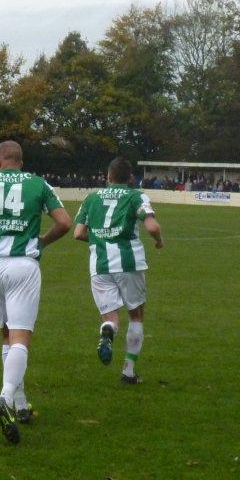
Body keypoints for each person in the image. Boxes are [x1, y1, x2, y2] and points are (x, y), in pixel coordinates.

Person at [0, 140, 72, 444]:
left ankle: (20, 405)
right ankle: (6, 397)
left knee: (6, 333)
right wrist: (43, 241)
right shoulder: (39, 183)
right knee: (21, 336)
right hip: (23, 266)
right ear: (20, 161)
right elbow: (64, 222)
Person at [72, 156, 164, 384]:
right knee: (136, 315)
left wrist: (101, 240)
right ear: (130, 177)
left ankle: (108, 329)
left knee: (111, 316)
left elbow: (78, 233)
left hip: (100, 263)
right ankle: (129, 371)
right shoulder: (136, 195)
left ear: (108, 176)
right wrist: (159, 240)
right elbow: (152, 226)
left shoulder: (92, 197)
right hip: (129, 262)